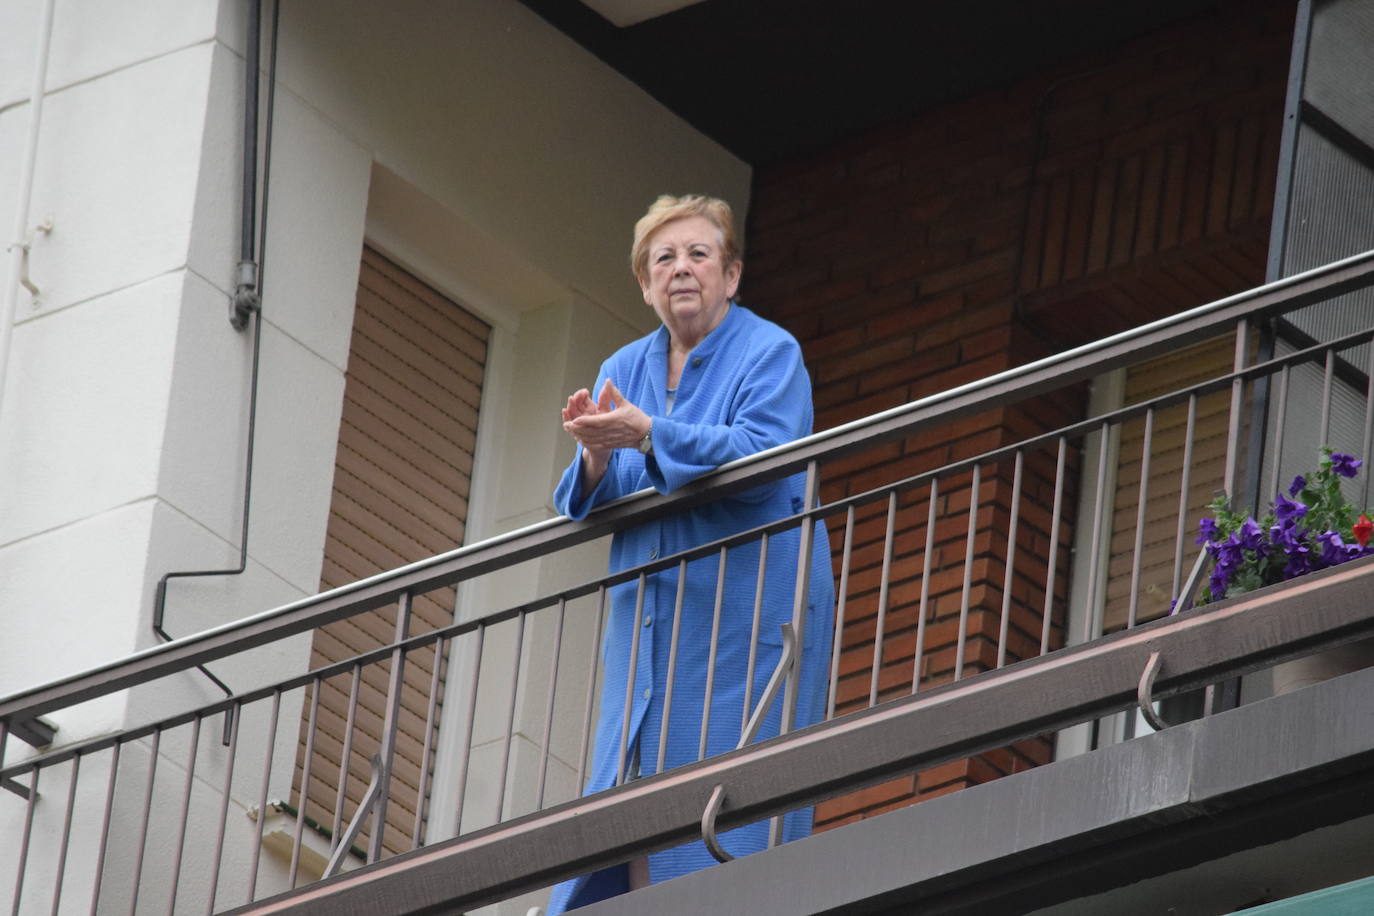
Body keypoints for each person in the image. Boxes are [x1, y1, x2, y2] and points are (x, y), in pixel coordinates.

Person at [547, 194, 834, 912]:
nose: (681, 270)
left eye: (698, 255)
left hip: (744, 617)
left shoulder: (771, 352)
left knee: (725, 790)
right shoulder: (626, 363)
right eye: (662, 260)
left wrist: (649, 435)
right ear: (645, 286)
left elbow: (764, 454)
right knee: (636, 786)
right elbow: (600, 490)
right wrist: (591, 456)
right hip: (652, 621)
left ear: (731, 276)